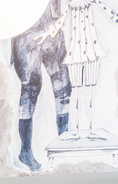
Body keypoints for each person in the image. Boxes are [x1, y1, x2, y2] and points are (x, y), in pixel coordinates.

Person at [37, 0, 118, 140]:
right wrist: (46, 33)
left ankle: (90, 131)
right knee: (77, 94)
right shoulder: (71, 5)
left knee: (89, 92)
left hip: (91, 50)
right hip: (75, 54)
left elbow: (107, 9)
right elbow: (60, 21)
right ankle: (78, 132)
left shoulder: (90, 2)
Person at [11, 0, 72, 172]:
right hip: (27, 36)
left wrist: (57, 22)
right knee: (30, 90)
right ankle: (25, 151)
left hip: (53, 32)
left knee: (63, 87)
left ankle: (64, 144)